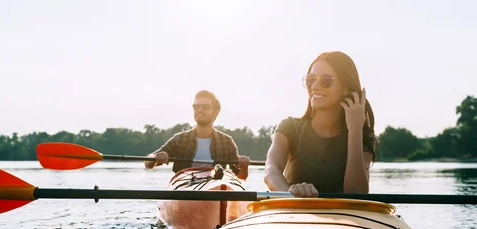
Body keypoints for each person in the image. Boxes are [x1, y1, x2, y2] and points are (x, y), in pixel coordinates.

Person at [264, 51, 377, 197]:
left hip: (342, 217)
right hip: (293, 213)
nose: (315, 86)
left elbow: (356, 193)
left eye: (326, 81)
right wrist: (290, 194)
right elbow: (271, 170)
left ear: (346, 88)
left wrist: (355, 130)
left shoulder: (363, 136)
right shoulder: (290, 127)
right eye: (311, 79)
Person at [145, 90, 250, 180]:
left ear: (215, 113)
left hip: (215, 187)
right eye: (196, 107)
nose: (199, 110)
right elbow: (147, 163)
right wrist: (156, 156)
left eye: (205, 107)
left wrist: (244, 166)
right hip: (184, 187)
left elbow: (241, 177)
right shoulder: (179, 139)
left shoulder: (227, 142)